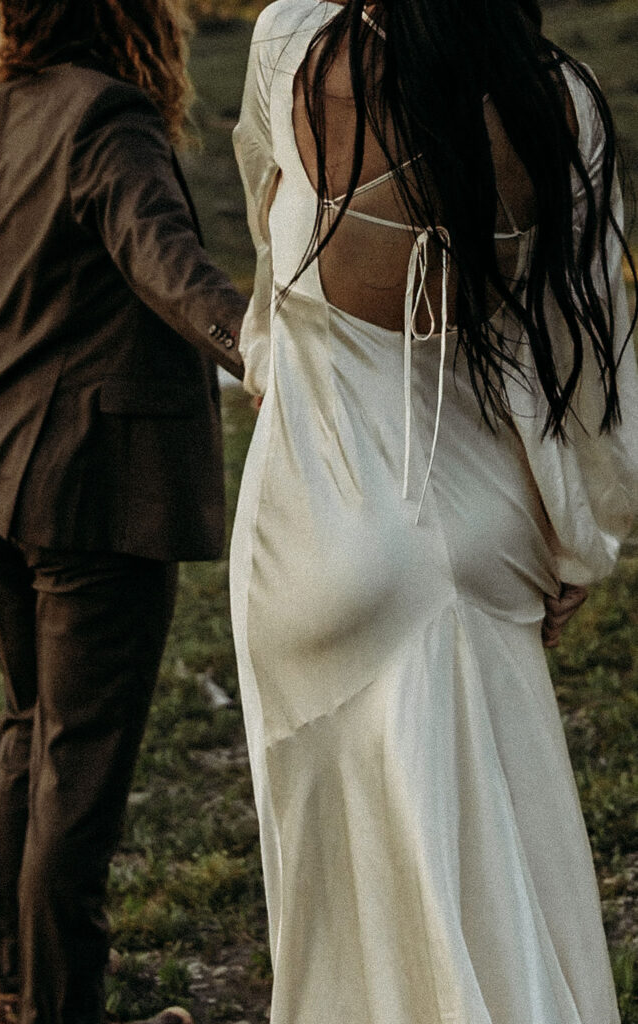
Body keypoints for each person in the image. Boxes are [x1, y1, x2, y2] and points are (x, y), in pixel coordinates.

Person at [230, 0, 638, 1021]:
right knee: (492, 897)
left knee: (337, 912)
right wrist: (578, 549)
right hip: (478, 534)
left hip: (308, 535)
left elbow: (268, 265)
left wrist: (272, 359)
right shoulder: (561, 105)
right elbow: (593, 376)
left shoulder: (290, 46)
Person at [0, 2, 246, 1022]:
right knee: (78, 767)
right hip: (91, 484)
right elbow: (163, 259)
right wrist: (264, 345)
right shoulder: (111, 115)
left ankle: (16, 994)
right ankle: (63, 1011)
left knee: (28, 733)